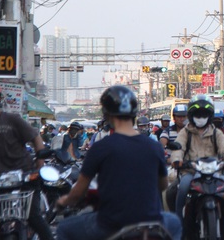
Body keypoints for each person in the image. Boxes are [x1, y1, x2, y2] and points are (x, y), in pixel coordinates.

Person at [56, 85, 181, 240]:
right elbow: (162, 185)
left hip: (109, 224)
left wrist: (63, 201)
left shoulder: (101, 148)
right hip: (151, 222)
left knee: (63, 228)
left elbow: (78, 192)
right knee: (175, 222)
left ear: (107, 114)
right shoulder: (154, 146)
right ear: (134, 113)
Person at [0, 80, 54, 240]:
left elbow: (36, 139)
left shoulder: (12, 119)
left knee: (34, 218)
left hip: (25, 177)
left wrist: (39, 166)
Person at [170, 94, 224, 240]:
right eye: (198, 114)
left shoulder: (216, 132)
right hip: (191, 172)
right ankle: (180, 226)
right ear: (192, 115)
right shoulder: (185, 132)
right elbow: (178, 150)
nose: (201, 117)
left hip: (214, 172)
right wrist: (177, 160)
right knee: (181, 189)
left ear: (210, 116)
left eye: (204, 114)